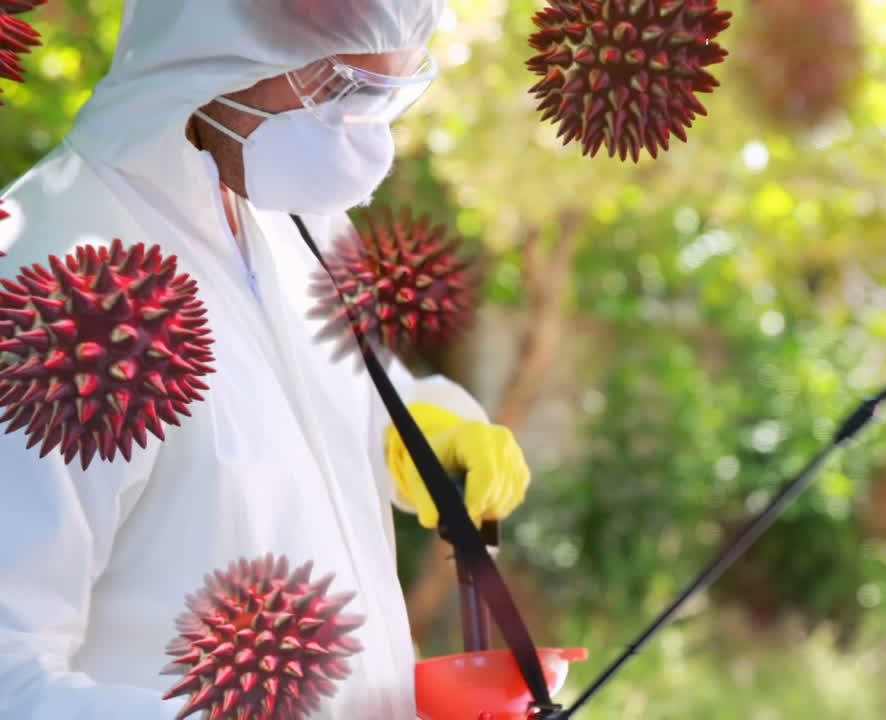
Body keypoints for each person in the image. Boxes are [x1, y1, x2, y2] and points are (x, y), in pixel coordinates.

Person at [0, 1, 531, 717]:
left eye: (388, 95)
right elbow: (11, 677)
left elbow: (335, 394)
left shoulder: (293, 220)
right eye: (341, 88)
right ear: (216, 40)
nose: (362, 137)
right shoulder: (58, 288)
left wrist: (425, 425)